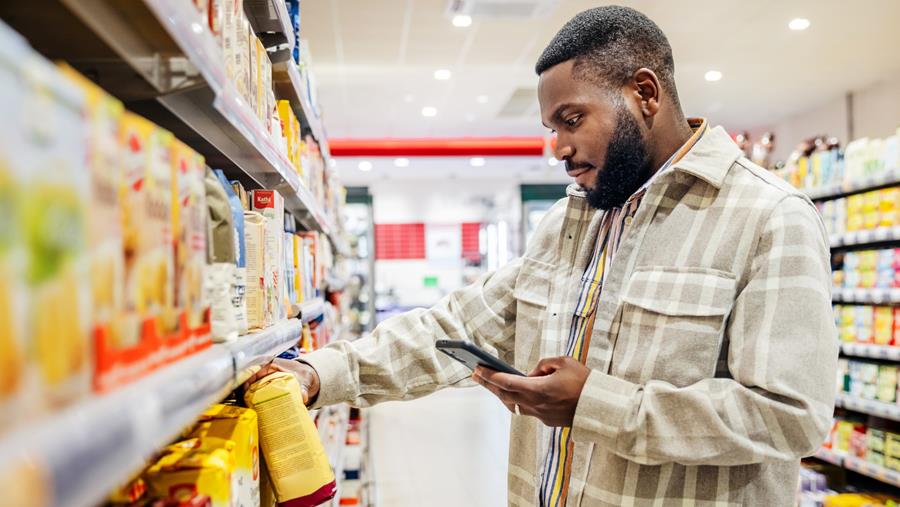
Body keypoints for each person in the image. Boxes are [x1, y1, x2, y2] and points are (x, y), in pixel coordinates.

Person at [248, 6, 837, 506]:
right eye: (550, 126)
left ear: (645, 93)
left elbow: (789, 414)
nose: (556, 146)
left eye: (571, 119)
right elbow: (452, 328)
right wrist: (316, 373)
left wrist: (595, 404)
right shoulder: (568, 223)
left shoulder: (768, 217)